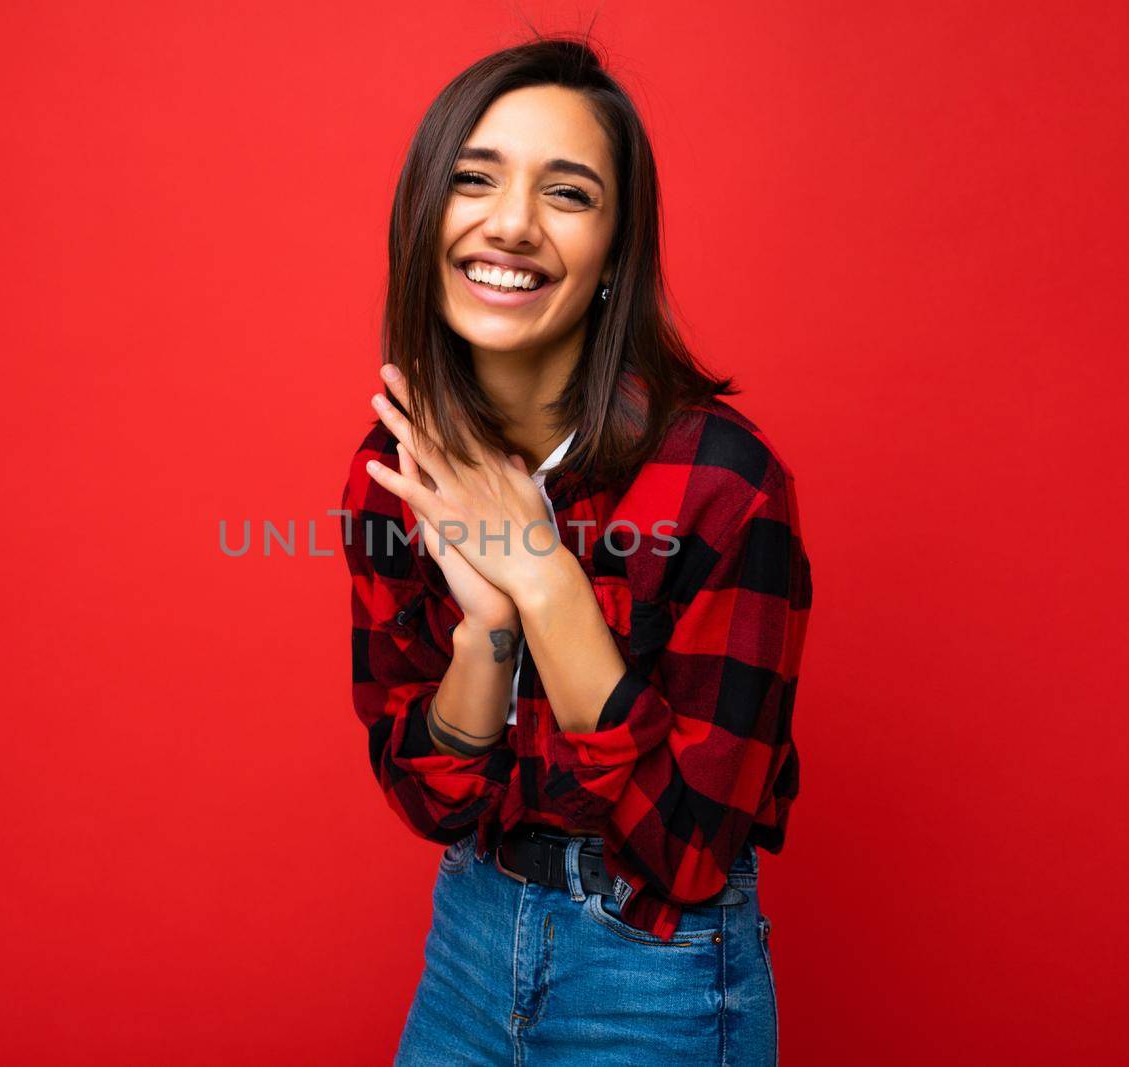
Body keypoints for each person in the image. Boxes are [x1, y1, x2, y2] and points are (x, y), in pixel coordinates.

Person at [339, 34, 812, 1067]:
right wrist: (488, 631)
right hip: (468, 938)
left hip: (657, 972)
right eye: (474, 180)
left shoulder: (721, 487)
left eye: (567, 193)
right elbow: (431, 797)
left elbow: (688, 848)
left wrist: (545, 575)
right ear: (425, 221)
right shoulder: (397, 465)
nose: (509, 222)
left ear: (613, 254)